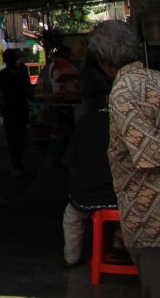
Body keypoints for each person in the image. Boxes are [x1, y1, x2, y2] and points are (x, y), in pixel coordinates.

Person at [89, 19, 160, 295]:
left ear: (104, 60)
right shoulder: (154, 79)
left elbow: (149, 152)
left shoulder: (122, 92)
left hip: (150, 222)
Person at [61, 82, 117, 266]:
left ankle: (72, 258)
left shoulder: (86, 121)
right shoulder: (132, 122)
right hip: (123, 195)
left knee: (72, 218)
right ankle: (120, 243)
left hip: (86, 195)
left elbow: (70, 161)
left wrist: (77, 181)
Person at [0, 48, 32, 175]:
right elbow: (29, 91)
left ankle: (16, 164)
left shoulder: (2, 75)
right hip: (21, 109)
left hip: (9, 110)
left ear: (5, 61)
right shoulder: (22, 73)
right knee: (20, 137)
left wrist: (1, 108)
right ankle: (18, 162)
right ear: (15, 59)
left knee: (12, 138)